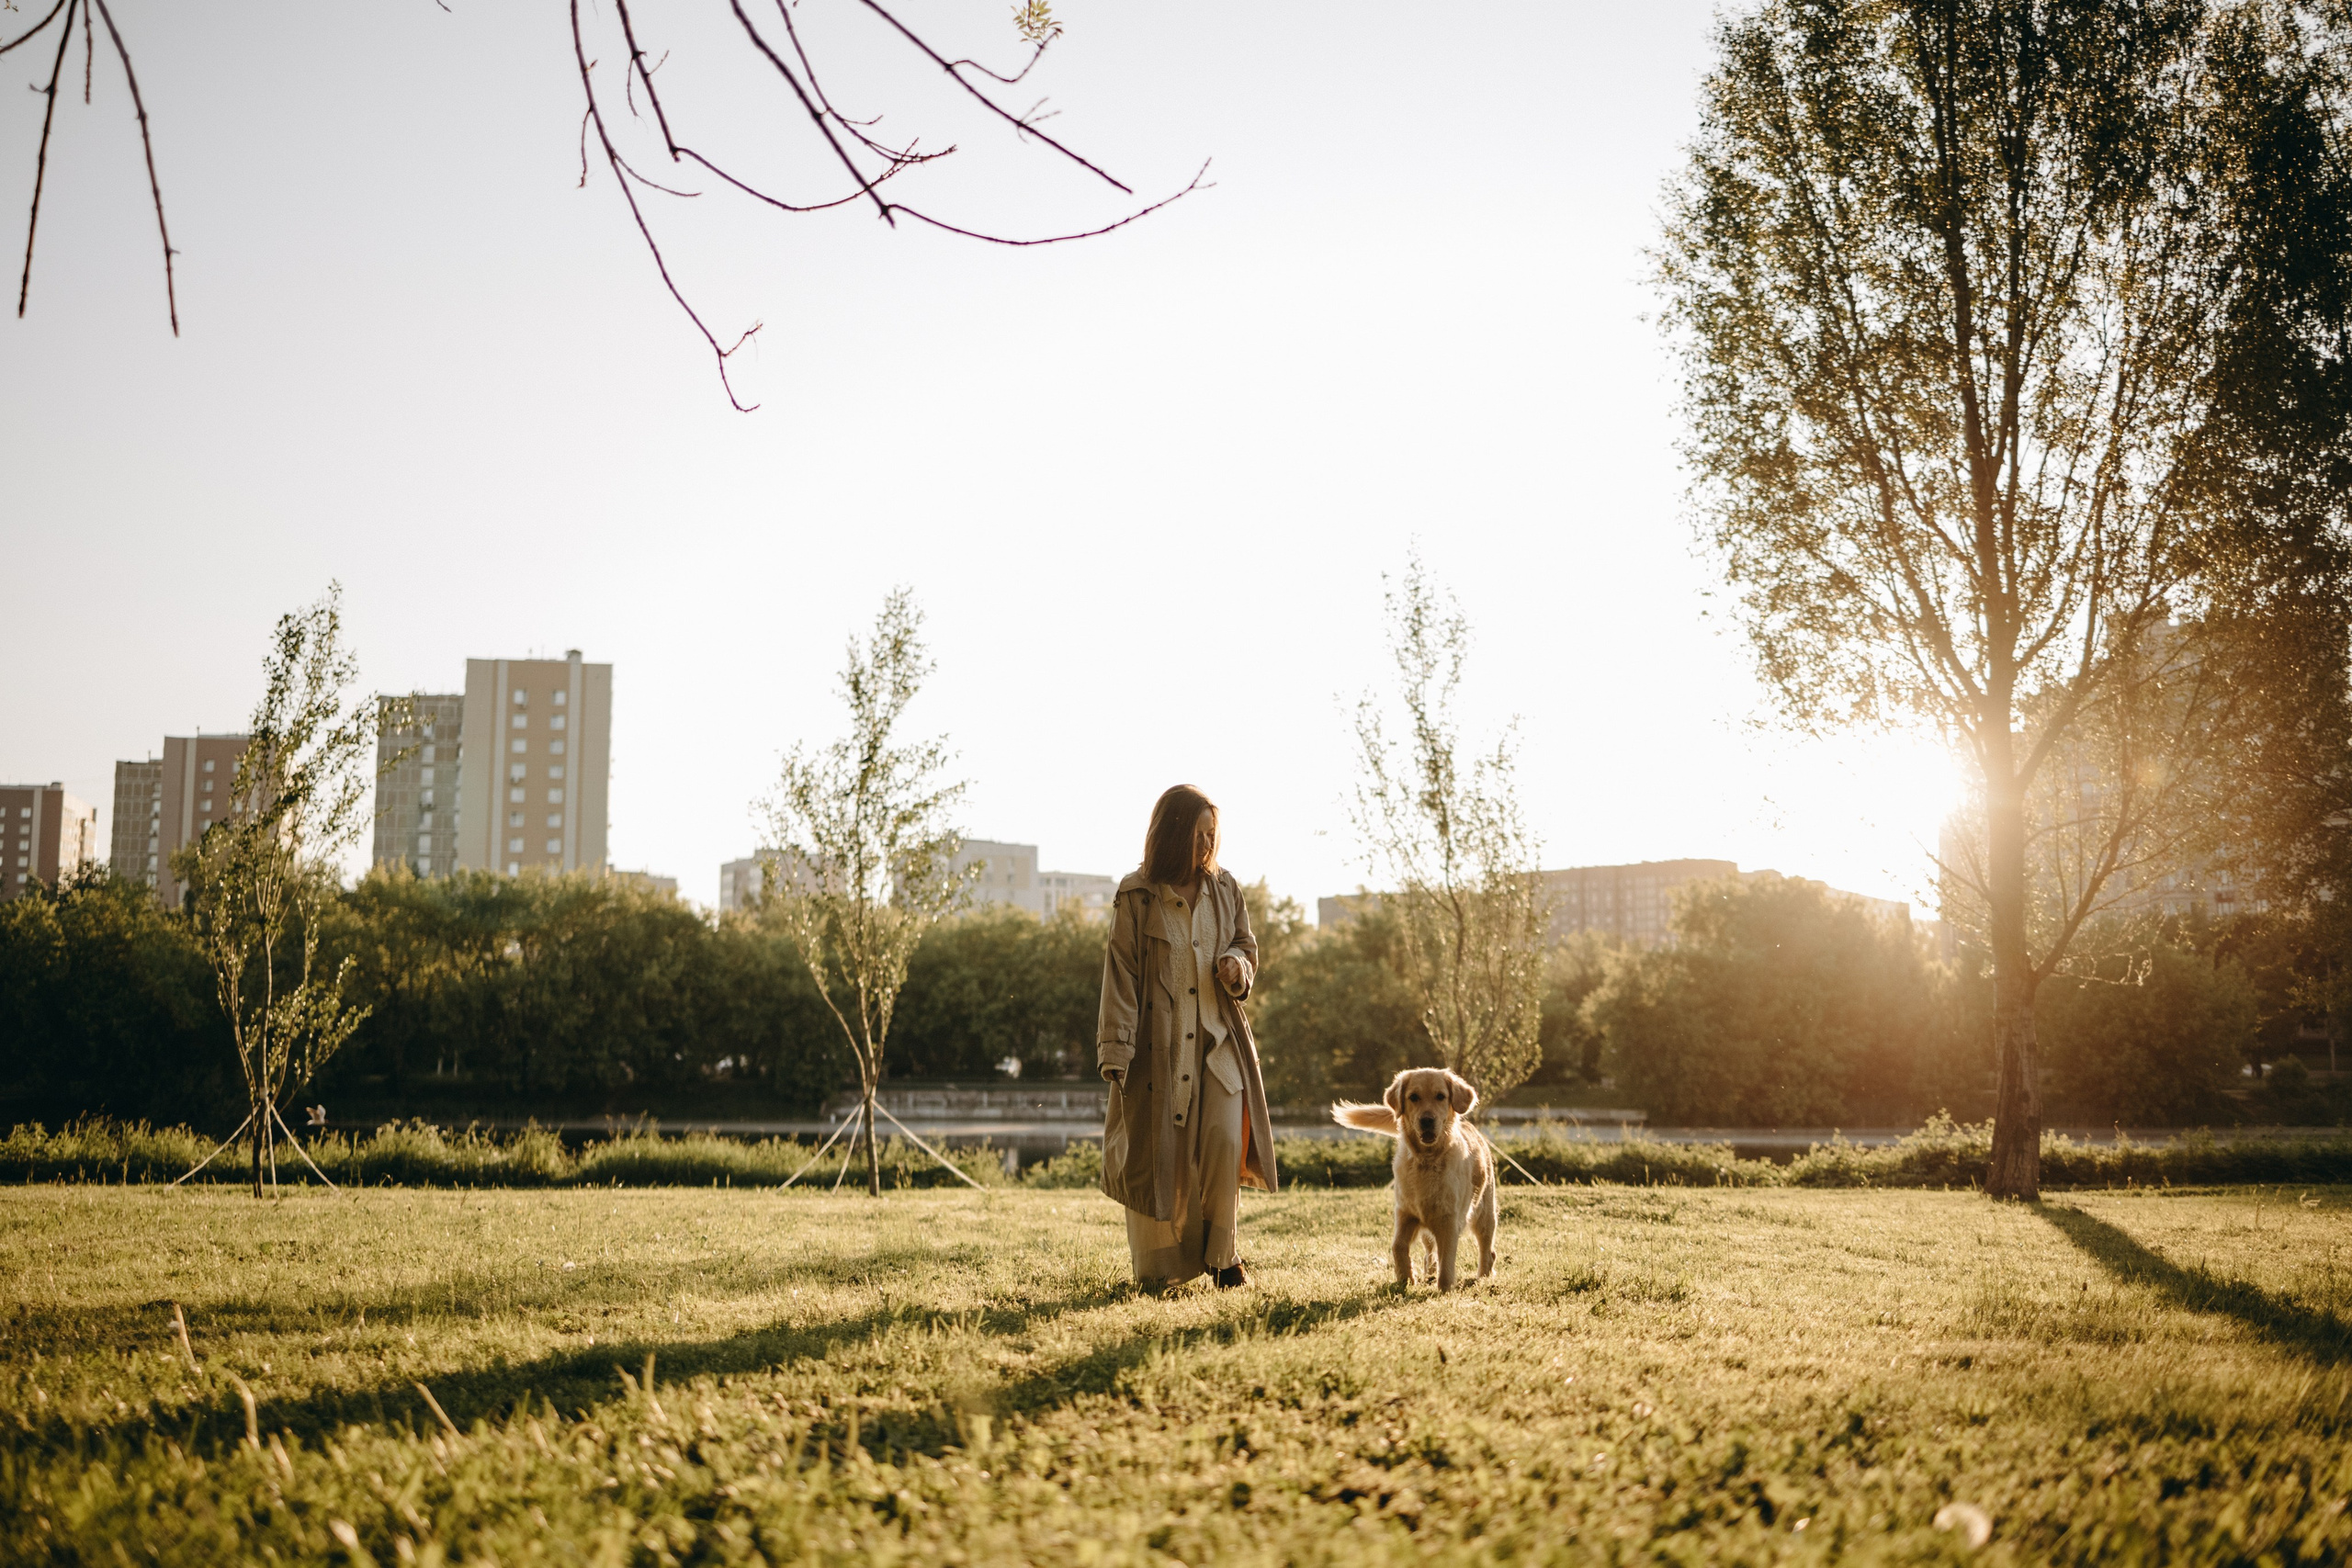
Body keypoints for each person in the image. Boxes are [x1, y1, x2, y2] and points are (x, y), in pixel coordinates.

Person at [1095, 784, 1280, 1288]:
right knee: (1160, 1159)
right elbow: (1122, 974)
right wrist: (1116, 1048)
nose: (1206, 846)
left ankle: (1224, 1258)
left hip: (1219, 1046)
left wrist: (1238, 966)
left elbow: (1246, 944)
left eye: (1212, 836)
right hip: (1157, 1050)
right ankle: (1160, 1269)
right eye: (1198, 835)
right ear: (1173, 833)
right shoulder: (1136, 895)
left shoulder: (1226, 890)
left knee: (1223, 1141)